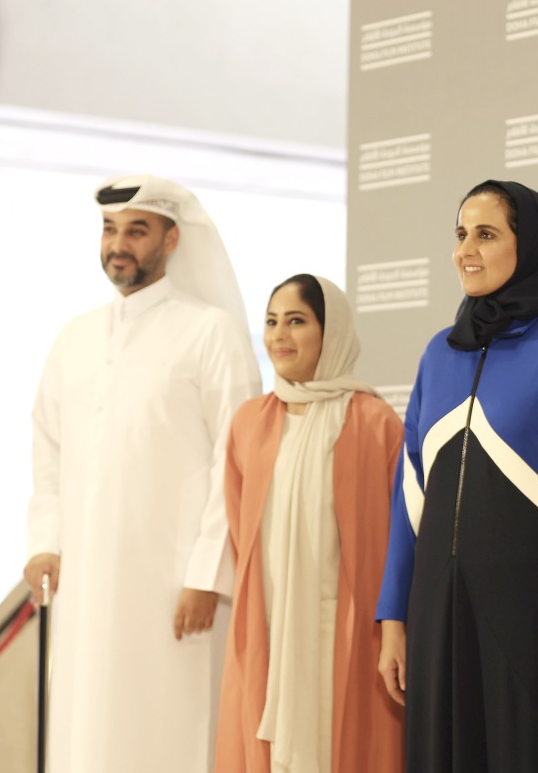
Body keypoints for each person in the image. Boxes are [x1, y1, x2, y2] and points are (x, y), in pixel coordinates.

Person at [375, 180, 538, 772]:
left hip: (536, 624)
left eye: (487, 234)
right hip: (441, 621)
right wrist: (394, 619)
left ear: (528, 244)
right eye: (461, 234)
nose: (467, 249)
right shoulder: (440, 353)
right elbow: (410, 497)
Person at [23, 174, 261, 773]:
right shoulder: (74, 338)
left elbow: (237, 458)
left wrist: (207, 574)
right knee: (83, 729)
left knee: (168, 730)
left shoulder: (211, 332)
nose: (118, 244)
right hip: (83, 587)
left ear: (171, 239)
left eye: (136, 230)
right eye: (109, 230)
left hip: (174, 588)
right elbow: (47, 448)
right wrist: (45, 543)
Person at [216, 274, 404, 773]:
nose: (279, 335)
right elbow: (240, 528)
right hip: (270, 619)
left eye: (296, 321)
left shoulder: (374, 421)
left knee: (344, 747)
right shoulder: (249, 422)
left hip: (346, 625)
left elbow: (401, 539)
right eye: (272, 322)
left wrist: (392, 629)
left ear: (331, 331)